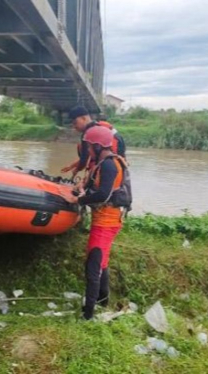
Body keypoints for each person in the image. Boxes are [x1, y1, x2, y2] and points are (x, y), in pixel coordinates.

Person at [60, 126, 132, 320]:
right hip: (106, 219)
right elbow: (95, 188)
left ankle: (88, 315)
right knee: (102, 261)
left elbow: (103, 194)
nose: (88, 151)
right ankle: (102, 300)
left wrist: (78, 200)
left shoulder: (108, 165)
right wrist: (82, 188)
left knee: (93, 265)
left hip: (106, 223)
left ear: (99, 146)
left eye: (90, 147)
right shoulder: (103, 163)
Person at [61, 106, 126, 178]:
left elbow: (84, 160)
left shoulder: (89, 134)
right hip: (120, 172)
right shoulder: (105, 129)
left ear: (84, 118)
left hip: (104, 173)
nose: (74, 126)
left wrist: (76, 170)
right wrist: (71, 166)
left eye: (75, 123)